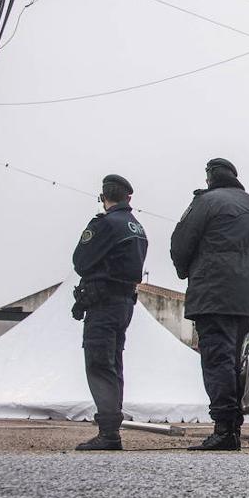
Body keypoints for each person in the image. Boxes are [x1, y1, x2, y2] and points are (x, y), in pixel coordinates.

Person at [171, 158, 249, 451]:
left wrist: (185, 271)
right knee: (239, 362)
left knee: (217, 359)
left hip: (214, 293)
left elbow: (180, 243)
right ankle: (234, 427)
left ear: (210, 177)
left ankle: (224, 429)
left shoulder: (205, 203)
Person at [71, 174, 149, 452]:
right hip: (124, 303)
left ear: (105, 197)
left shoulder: (105, 224)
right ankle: (110, 427)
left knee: (99, 364)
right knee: (114, 365)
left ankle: (108, 432)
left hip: (103, 303)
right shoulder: (137, 227)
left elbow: (80, 261)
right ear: (128, 197)